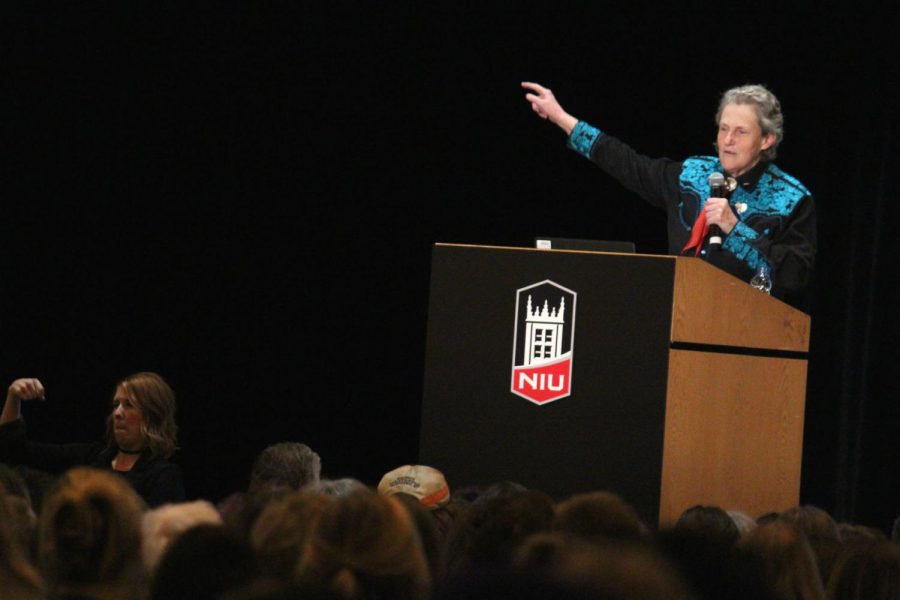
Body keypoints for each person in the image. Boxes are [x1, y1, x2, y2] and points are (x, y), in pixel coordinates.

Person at [522, 81, 816, 309]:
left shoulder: (791, 199)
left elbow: (794, 275)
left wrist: (734, 229)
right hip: (680, 320)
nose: (727, 141)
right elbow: (628, 164)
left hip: (746, 333)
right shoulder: (692, 174)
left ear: (767, 139)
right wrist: (561, 118)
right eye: (723, 129)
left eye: (741, 132)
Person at [0, 372, 185, 507]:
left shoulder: (162, 476)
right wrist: (13, 397)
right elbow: (14, 451)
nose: (117, 413)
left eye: (129, 405)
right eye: (116, 404)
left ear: (152, 416)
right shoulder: (91, 456)